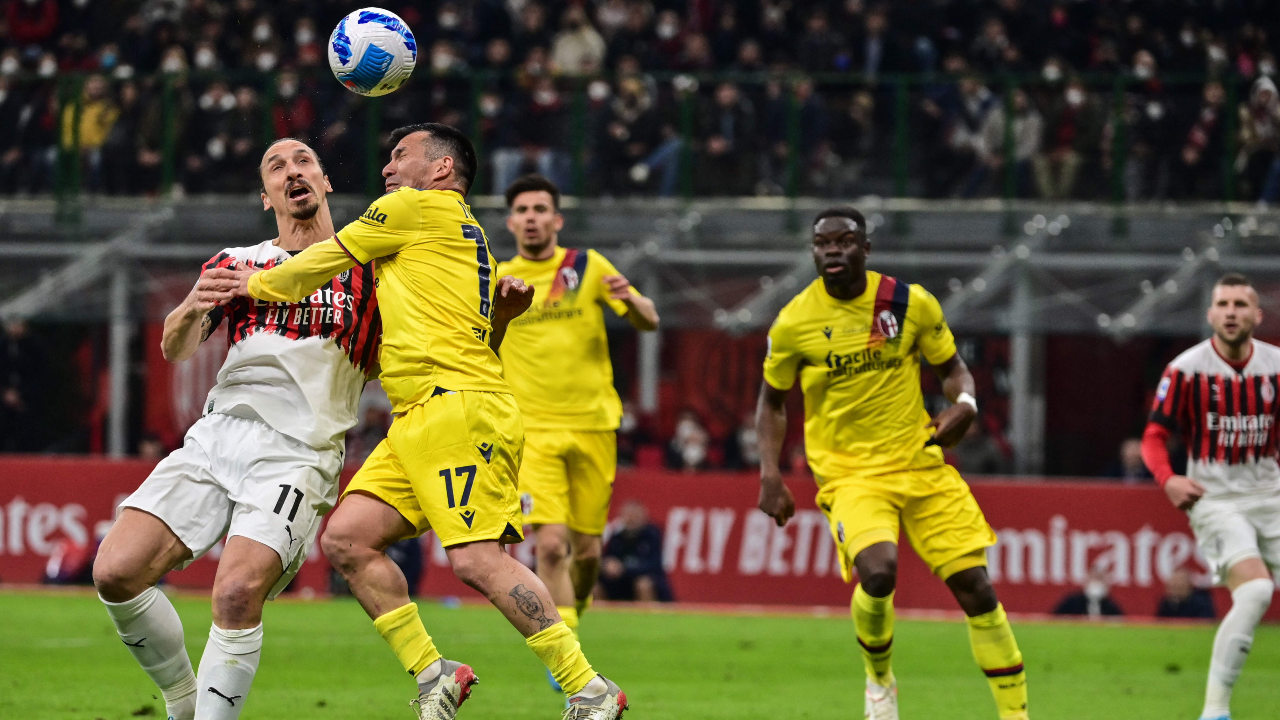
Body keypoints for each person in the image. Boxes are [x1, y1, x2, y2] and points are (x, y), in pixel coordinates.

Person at [212, 124, 628, 720]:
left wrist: (251, 283)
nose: (387, 168)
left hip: (455, 409)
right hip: (417, 415)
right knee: (348, 539)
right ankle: (437, 675)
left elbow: (321, 260)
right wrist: (501, 319)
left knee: (476, 560)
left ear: (440, 169)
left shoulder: (412, 208)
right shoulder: (461, 236)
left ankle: (588, 688)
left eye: (400, 155)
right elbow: (478, 341)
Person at [92, 138, 381, 720]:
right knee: (115, 572)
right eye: (277, 166)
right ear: (266, 196)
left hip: (298, 451)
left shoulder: (371, 270)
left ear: (325, 183)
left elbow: (397, 355)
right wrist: (190, 307)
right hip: (218, 434)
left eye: (304, 161)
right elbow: (175, 348)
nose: (292, 171)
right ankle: (184, 701)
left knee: (235, 592)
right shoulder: (236, 262)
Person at [755, 207, 1029, 720]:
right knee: (879, 573)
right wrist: (770, 473)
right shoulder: (794, 322)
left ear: (865, 249)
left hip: (920, 464)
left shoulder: (907, 303)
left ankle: (1016, 715)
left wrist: (965, 405)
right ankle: (879, 680)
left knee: (977, 588)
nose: (832, 250)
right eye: (822, 243)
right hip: (851, 475)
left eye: (844, 241)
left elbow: (954, 370)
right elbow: (771, 402)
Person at [494, 174, 659, 690]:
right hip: (531, 430)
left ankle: (574, 613)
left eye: (541, 209)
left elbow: (648, 320)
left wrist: (634, 304)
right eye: (523, 210)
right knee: (551, 545)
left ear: (557, 219)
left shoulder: (586, 266)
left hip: (593, 425)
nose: (532, 218)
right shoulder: (499, 277)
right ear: (511, 222)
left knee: (587, 552)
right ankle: (565, 655)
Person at [1141, 273, 1280, 720]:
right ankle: (1215, 712)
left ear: (1257, 315)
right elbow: (1153, 437)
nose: (1231, 312)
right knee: (1256, 591)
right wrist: (1168, 479)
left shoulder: (1276, 367)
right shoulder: (1186, 370)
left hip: (1272, 495)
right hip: (1216, 500)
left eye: (1240, 304)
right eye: (1223, 304)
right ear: (1210, 315)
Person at [599, 500, 672, 602]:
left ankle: (647, 611)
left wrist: (624, 568)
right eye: (628, 515)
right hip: (619, 582)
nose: (631, 519)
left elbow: (655, 565)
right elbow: (607, 558)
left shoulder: (652, 535)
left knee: (643, 584)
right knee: (594, 587)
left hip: (646, 582)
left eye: (635, 515)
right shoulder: (617, 537)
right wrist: (606, 565)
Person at [1052, 569, 1125, 617]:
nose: (1096, 583)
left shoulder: (1110, 605)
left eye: (1100, 579)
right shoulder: (1072, 602)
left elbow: (1122, 622)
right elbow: (1053, 619)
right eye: (1094, 578)